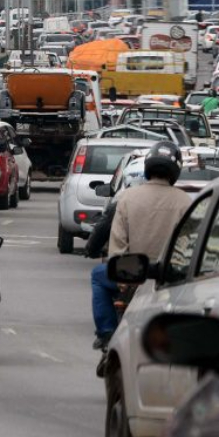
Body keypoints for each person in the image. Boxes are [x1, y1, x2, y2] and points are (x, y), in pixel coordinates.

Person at [90, 141, 192, 350]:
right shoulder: (185, 202)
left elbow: (118, 244)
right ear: (175, 171)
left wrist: (122, 279)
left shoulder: (128, 197)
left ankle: (107, 333)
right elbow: (188, 245)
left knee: (98, 277)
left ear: (147, 167)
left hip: (132, 274)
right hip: (169, 277)